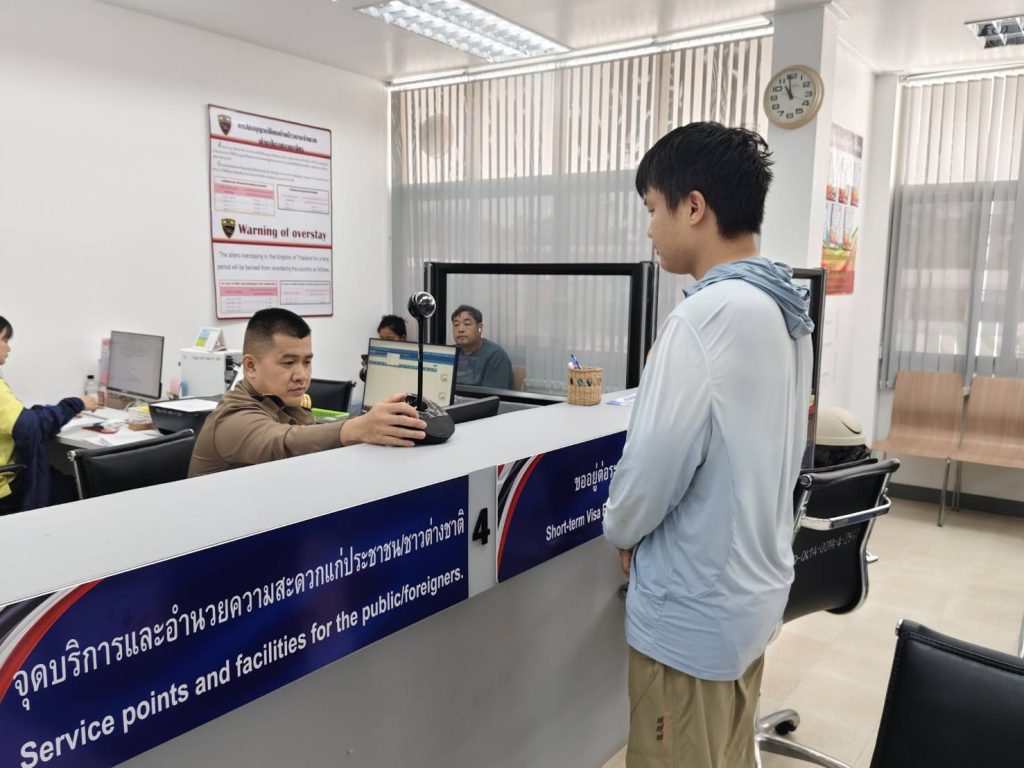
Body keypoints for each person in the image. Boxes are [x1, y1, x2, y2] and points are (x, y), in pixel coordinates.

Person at [602, 122, 813, 768]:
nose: (649, 229)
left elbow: (652, 470)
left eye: (652, 209)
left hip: (692, 615)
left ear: (693, 206)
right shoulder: (785, 310)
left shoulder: (704, 317)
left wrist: (622, 532)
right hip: (750, 598)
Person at [189, 308, 425, 477]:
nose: (302, 375)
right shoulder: (232, 418)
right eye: (288, 362)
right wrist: (358, 428)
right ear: (250, 366)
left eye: (307, 362)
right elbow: (284, 442)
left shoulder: (282, 402)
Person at [0, 316, 99, 513]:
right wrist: (75, 404)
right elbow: (32, 426)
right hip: (6, 489)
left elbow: (19, 419)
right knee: (80, 488)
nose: (8, 348)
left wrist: (38, 412)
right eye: (4, 340)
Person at [451, 305, 513, 389]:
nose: (460, 329)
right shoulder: (450, 353)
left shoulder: (496, 356)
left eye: (467, 324)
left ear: (480, 328)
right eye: (456, 324)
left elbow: (491, 395)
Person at [359, 314, 408, 383]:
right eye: (382, 339)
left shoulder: (409, 360)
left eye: (390, 339)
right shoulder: (379, 357)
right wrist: (367, 369)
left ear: (402, 338)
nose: (385, 343)